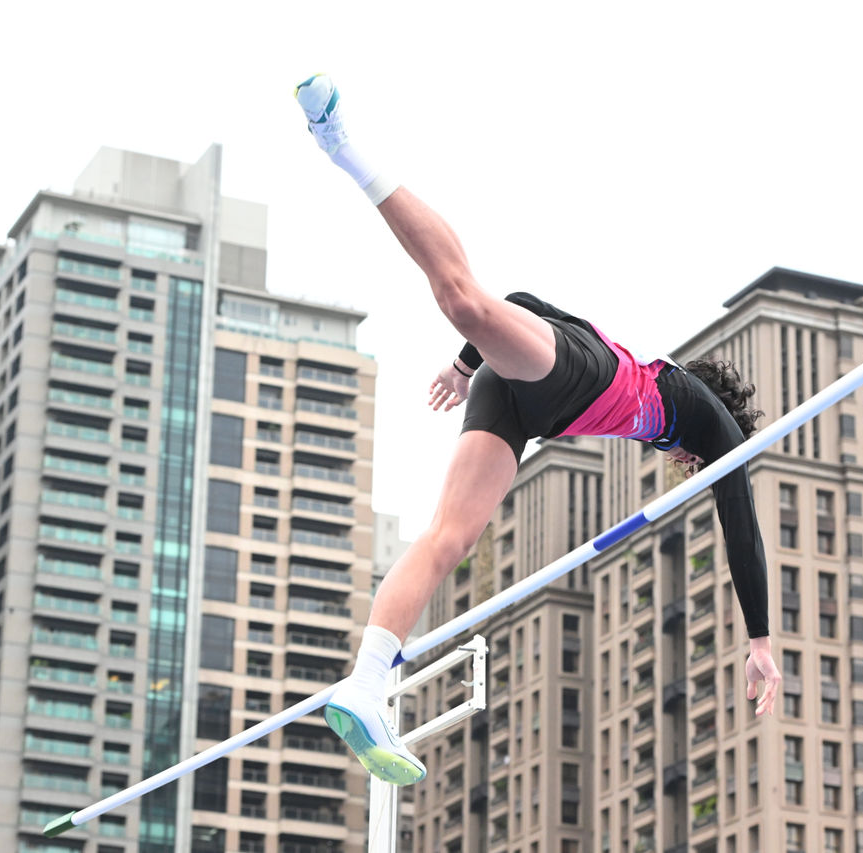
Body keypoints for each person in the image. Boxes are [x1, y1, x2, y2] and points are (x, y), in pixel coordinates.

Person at [293, 74, 781, 786]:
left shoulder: (668, 411)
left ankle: (365, 684)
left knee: (449, 537)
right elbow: (742, 523)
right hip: (581, 377)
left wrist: (469, 367)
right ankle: (342, 144)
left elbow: (523, 301)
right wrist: (760, 639)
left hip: (530, 408)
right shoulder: (707, 420)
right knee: (464, 301)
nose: (687, 465)